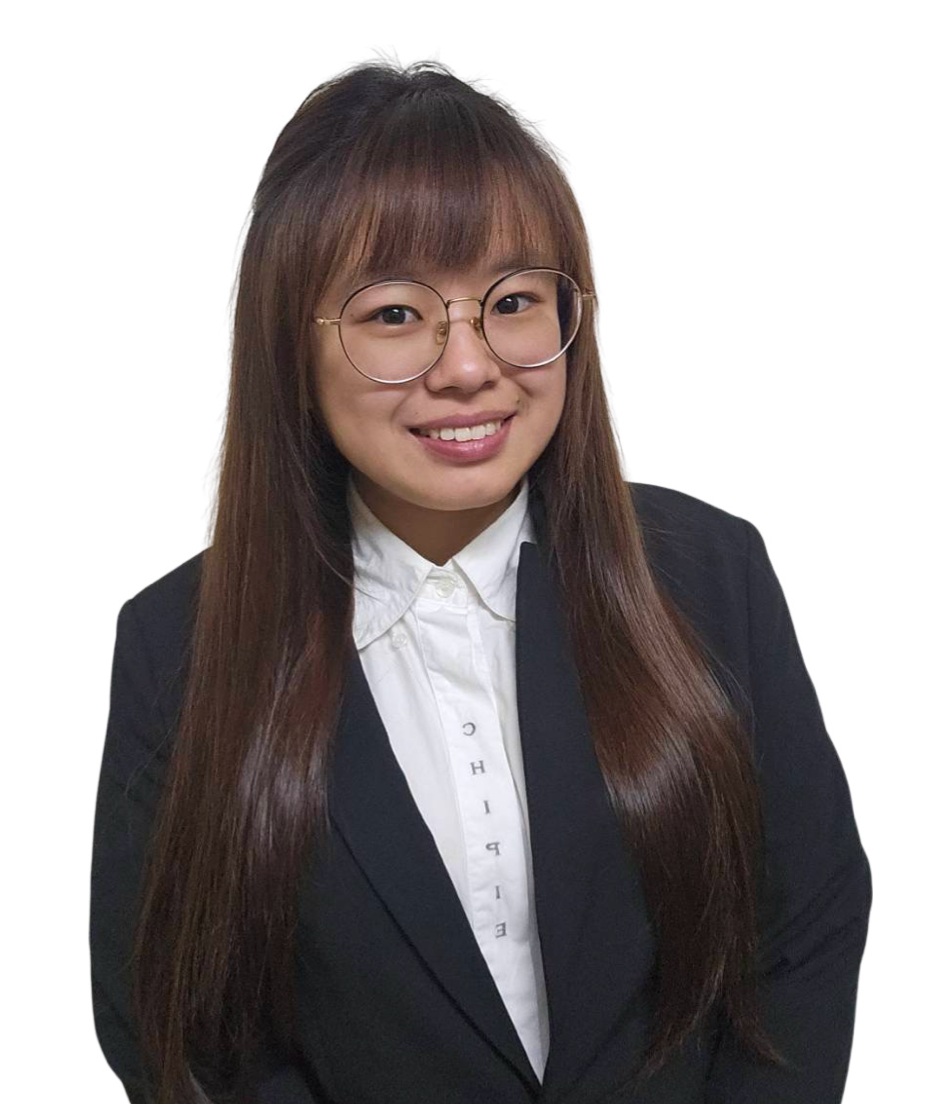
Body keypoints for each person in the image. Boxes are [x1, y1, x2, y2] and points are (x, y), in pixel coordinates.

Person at [90, 46, 871, 1104]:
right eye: (395, 314)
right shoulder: (174, 643)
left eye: (512, 301)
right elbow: (178, 1034)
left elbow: (807, 930)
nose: (468, 367)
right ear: (290, 347)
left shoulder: (712, 570)